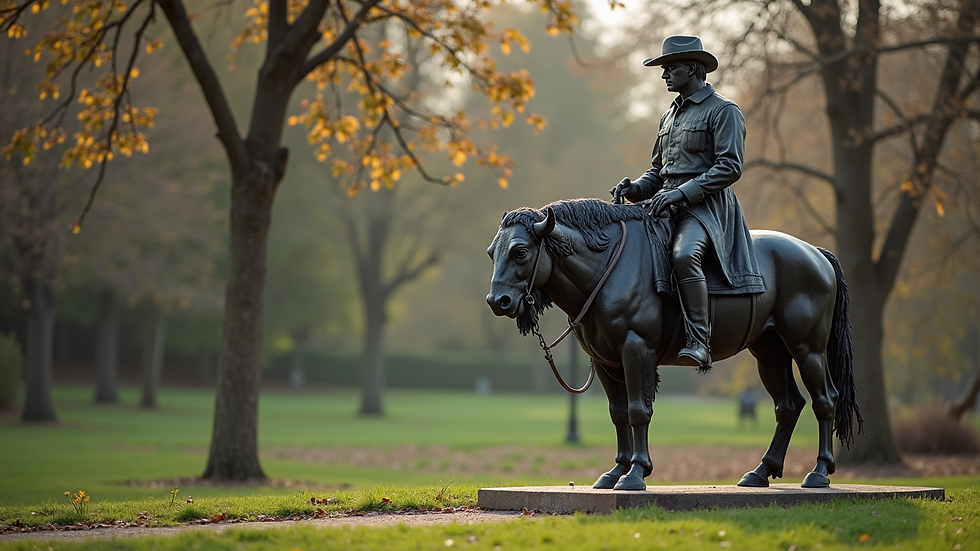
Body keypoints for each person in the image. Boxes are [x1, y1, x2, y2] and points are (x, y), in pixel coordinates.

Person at [611, 35, 763, 369]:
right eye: (664, 69)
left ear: (691, 69)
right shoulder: (669, 117)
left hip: (706, 209)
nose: (664, 75)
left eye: (670, 68)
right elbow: (658, 171)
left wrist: (681, 194)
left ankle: (699, 340)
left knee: (683, 254)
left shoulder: (724, 111)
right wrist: (635, 189)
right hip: (666, 206)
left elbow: (729, 167)